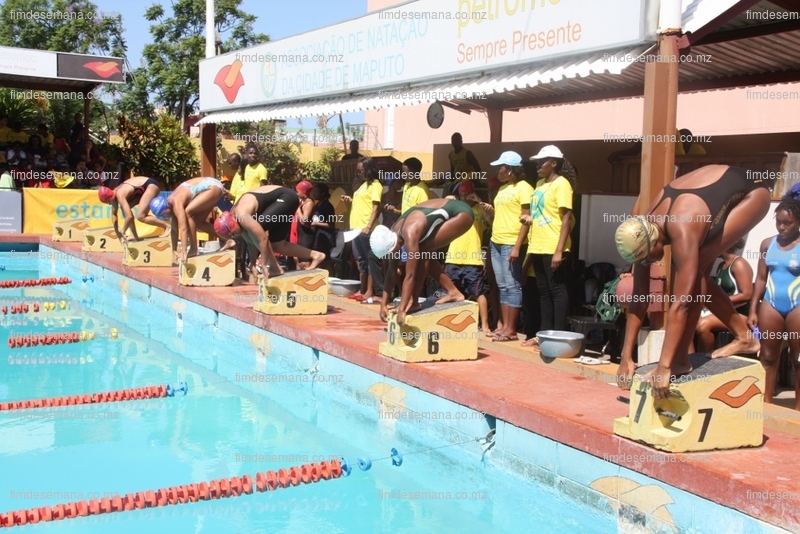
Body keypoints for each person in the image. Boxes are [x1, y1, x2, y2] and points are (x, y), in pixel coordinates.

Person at [614, 165, 771, 398]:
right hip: (710, 193)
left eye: (647, 257)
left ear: (654, 241)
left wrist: (664, 366)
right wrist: (626, 356)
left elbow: (682, 303)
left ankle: (682, 360)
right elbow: (640, 295)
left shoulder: (682, 228)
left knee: (696, 272)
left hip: (752, 193)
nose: (648, 262)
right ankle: (743, 338)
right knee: (697, 273)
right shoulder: (642, 229)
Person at [371, 198, 474, 326]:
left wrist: (402, 309)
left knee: (423, 250)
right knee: (423, 251)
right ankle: (452, 292)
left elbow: (411, 275)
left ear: (394, 244)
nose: (392, 256)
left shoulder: (410, 232)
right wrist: (383, 303)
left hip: (462, 213)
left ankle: (416, 302)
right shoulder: (393, 235)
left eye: (391, 253)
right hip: (449, 212)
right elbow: (391, 273)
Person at [748, 185, 800, 409]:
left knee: (798, 360)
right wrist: (752, 309)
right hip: (770, 305)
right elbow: (760, 279)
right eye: (778, 222)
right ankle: (765, 406)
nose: (781, 227)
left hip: (797, 306)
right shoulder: (767, 244)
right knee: (767, 357)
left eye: (787, 223)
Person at [213, 185, 325, 282]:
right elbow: (251, 242)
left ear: (232, 224)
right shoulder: (236, 217)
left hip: (286, 197)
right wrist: (252, 263)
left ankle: (275, 268)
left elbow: (262, 239)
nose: (235, 235)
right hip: (283, 200)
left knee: (258, 231)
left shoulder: (242, 216)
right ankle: (316, 255)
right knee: (278, 245)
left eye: (233, 233)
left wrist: (263, 264)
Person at [523, 145, 576, 333]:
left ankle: (558, 333)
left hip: (553, 245)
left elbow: (566, 218)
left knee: (557, 291)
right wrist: (530, 219)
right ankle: (544, 333)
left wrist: (559, 251)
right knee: (543, 291)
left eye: (541, 162)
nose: (538, 165)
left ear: (554, 163)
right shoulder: (539, 185)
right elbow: (540, 212)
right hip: (538, 245)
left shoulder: (562, 184)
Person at [485, 151, 534, 342]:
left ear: (510, 169)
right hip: (496, 241)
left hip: (510, 242)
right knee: (502, 285)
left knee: (512, 285)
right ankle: (505, 327)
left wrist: (517, 246)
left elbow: (526, 219)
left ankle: (511, 329)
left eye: (501, 167)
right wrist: (489, 213)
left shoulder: (524, 188)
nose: (498, 171)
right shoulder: (503, 189)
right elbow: (502, 215)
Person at [444, 182, 492, 332]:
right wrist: (453, 197)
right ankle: (449, 323)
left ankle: (485, 325)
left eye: (467, 195)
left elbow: (489, 220)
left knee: (478, 293)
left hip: (472, 259)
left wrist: (478, 200)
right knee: (451, 292)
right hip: (453, 257)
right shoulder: (456, 208)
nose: (465, 198)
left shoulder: (479, 209)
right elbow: (445, 201)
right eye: (462, 195)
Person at [692, 240, 753, 353]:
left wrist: (719, 303)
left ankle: (707, 358)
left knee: (702, 325)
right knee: (688, 322)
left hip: (739, 313)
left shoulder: (739, 263)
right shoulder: (721, 265)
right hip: (722, 311)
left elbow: (746, 294)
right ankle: (690, 358)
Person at [150, 177, 227, 263]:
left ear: (166, 207)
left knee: (187, 213)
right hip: (212, 189)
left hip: (213, 187)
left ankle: (194, 248)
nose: (166, 216)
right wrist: (174, 251)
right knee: (197, 222)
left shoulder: (176, 202)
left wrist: (184, 251)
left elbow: (183, 228)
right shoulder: (170, 204)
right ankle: (227, 239)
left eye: (164, 214)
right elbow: (174, 230)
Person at [341, 157, 383, 302]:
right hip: (356, 228)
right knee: (360, 260)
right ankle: (363, 289)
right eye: (358, 171)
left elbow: (376, 207)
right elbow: (362, 203)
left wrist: (369, 226)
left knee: (369, 259)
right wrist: (350, 201)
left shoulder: (375, 185)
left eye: (361, 170)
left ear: (369, 170)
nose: (359, 173)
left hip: (366, 228)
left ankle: (370, 291)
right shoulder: (363, 185)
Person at [99, 177, 170, 242]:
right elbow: (114, 215)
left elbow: (129, 216)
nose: (110, 205)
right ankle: (134, 235)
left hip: (150, 185)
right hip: (141, 189)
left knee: (141, 216)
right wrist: (117, 232)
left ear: (109, 199)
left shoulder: (119, 195)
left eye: (108, 203)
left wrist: (123, 231)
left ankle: (167, 227)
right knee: (124, 209)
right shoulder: (113, 194)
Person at [308, 183, 338, 271]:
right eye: (313, 192)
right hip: (317, 237)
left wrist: (315, 223)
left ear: (323, 193)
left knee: (326, 260)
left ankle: (329, 277)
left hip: (325, 239)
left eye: (316, 192)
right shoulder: (316, 206)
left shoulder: (328, 206)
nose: (314, 194)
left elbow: (331, 224)